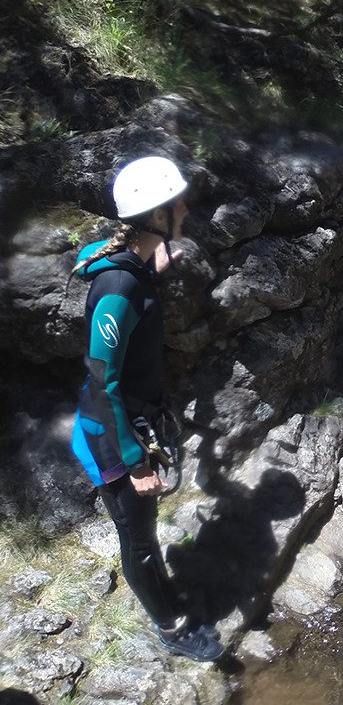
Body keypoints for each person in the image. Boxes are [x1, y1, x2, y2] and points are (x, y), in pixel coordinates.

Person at [70, 155, 224, 662]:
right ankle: (172, 629)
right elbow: (103, 377)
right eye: (176, 202)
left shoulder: (133, 267)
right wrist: (134, 461)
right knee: (137, 537)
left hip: (128, 420)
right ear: (157, 215)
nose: (185, 207)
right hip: (110, 432)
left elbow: (122, 267)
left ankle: (166, 599)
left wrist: (151, 263)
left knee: (146, 531)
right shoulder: (119, 287)